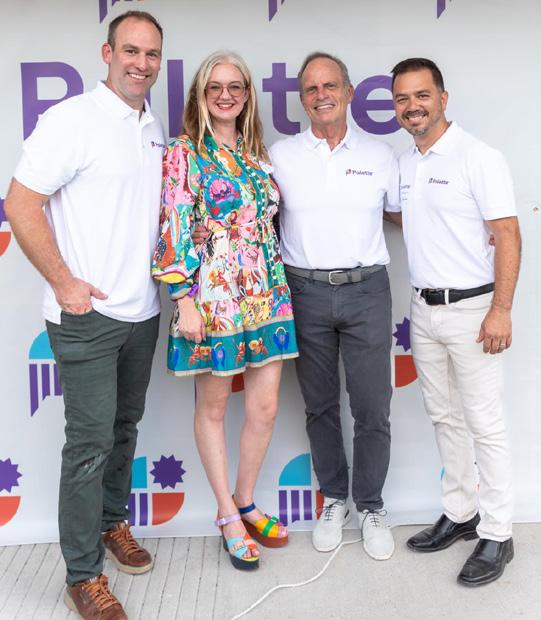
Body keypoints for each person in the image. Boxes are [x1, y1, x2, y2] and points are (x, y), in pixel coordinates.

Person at [4, 11, 165, 619]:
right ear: (107, 53)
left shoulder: (151, 126)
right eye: (131, 51)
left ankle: (111, 522)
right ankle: (82, 575)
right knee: (89, 445)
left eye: (151, 54)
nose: (141, 64)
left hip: (142, 312)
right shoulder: (70, 119)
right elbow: (21, 203)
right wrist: (64, 282)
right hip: (87, 316)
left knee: (124, 429)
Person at [151, 50, 298, 571]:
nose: (225, 95)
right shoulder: (183, 152)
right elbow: (174, 226)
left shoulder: (260, 155)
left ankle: (247, 499)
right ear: (200, 94)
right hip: (213, 300)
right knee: (213, 408)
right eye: (215, 86)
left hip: (268, 295)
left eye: (235, 86)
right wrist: (183, 300)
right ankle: (226, 514)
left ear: (248, 94)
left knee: (265, 408)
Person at [391, 57, 521, 586]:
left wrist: (501, 310)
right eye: (402, 98)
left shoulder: (478, 157)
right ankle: (461, 512)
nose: (412, 106)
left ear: (443, 98)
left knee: (485, 424)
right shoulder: (406, 163)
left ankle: (498, 532)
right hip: (423, 309)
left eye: (422, 95)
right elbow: (407, 214)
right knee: (444, 417)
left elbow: (508, 234)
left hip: (474, 311)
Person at [269, 52, 400, 560]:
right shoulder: (281, 155)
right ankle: (335, 499)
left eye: (330, 86)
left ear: (349, 92)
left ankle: (370, 505)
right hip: (304, 291)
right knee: (320, 404)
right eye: (311, 89)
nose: (321, 95)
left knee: (372, 406)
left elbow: (406, 213)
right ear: (302, 100)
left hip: (367, 289)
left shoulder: (381, 154)